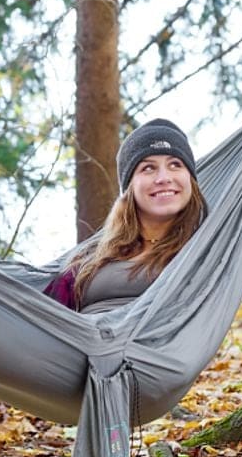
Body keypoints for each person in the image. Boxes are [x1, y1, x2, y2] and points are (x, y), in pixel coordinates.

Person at [43, 119, 206, 315]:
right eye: (148, 168)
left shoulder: (205, 248)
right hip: (78, 333)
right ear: (129, 188)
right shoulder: (90, 258)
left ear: (190, 180)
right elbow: (46, 315)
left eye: (175, 165)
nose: (164, 178)